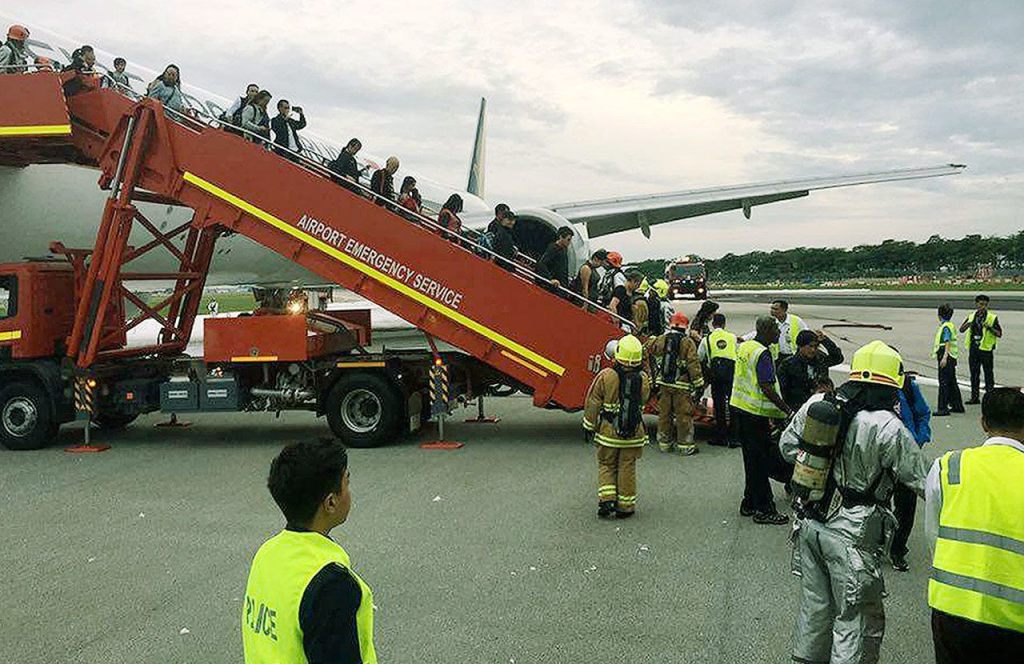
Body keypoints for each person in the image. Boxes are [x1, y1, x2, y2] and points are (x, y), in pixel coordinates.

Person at [780, 341, 929, 664]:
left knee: (816, 608)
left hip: (809, 522)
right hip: (854, 533)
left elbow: (787, 447)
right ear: (891, 383)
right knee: (856, 620)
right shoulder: (888, 426)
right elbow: (922, 480)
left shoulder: (819, 403)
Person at [242, 438, 377, 663]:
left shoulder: (267, 554)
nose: (350, 493)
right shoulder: (331, 584)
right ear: (331, 503)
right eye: (347, 484)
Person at [925, 387, 1024, 663]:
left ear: (983, 422)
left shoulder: (948, 466)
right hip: (1015, 618)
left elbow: (933, 534)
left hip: (952, 610)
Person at [731, 315, 793, 525]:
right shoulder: (762, 353)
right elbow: (766, 386)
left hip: (740, 409)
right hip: (754, 414)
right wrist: (786, 410)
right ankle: (764, 508)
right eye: (776, 329)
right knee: (760, 462)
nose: (779, 332)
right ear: (766, 331)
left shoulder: (747, 347)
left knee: (752, 460)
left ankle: (749, 502)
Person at [583, 335, 651, 518]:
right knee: (627, 467)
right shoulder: (643, 379)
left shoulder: (606, 375)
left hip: (609, 432)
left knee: (607, 464)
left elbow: (593, 402)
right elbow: (644, 400)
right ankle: (626, 506)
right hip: (634, 433)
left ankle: (607, 500)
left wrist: (588, 425)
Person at [890, 370, 931, 572]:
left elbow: (923, 413)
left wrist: (919, 438)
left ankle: (897, 548)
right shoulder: (872, 388)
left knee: (906, 507)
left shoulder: (908, 386)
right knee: (876, 504)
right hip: (881, 456)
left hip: (908, 456)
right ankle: (879, 541)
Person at [647, 312, 704, 455]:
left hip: (664, 384)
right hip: (681, 386)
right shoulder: (687, 342)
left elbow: (648, 348)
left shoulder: (662, 339)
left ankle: (664, 444)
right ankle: (685, 446)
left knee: (664, 415)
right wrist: (699, 384)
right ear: (685, 327)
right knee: (683, 416)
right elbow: (693, 364)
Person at [777, 329, 845, 412]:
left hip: (821, 406)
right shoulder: (788, 365)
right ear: (800, 346)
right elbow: (783, 392)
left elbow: (838, 358)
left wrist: (825, 340)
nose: (813, 350)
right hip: (799, 408)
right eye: (810, 346)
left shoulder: (820, 359)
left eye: (816, 347)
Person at [698, 313, 737, 447]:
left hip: (716, 376)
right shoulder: (732, 337)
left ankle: (721, 437)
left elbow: (700, 357)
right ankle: (734, 438)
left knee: (719, 407)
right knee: (733, 406)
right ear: (724, 324)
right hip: (731, 375)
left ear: (713, 324)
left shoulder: (707, 339)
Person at [960, 294, 1002, 404]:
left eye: (985, 305)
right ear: (976, 304)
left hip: (986, 350)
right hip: (974, 349)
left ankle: (990, 398)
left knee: (988, 374)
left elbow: (999, 333)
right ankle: (974, 397)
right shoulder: (971, 316)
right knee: (974, 374)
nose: (982, 307)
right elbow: (961, 329)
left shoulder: (992, 318)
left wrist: (989, 327)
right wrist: (969, 323)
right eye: (981, 304)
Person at [934, 303, 965, 416]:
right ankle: (957, 405)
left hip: (946, 354)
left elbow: (947, 341)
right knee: (951, 381)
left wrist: (944, 357)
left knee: (944, 382)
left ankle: (943, 407)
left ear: (939, 315)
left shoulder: (945, 327)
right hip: (952, 355)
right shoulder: (950, 325)